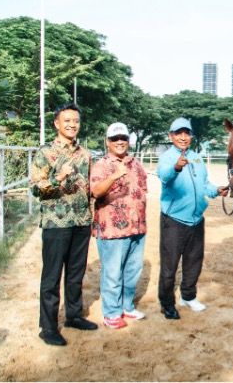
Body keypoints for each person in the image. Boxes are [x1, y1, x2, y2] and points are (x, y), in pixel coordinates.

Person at [31, 103, 97, 346]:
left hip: (81, 222)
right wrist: (58, 177)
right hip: (55, 224)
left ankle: (74, 316)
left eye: (76, 121)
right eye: (67, 120)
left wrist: (91, 218)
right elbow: (36, 189)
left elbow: (90, 189)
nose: (72, 124)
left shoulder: (85, 154)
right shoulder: (45, 153)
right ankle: (47, 328)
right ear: (56, 123)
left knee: (75, 274)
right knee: (51, 277)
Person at [156, 117, 228, 320]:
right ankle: (167, 303)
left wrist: (216, 190)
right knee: (170, 265)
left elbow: (204, 184)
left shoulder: (197, 157)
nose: (183, 137)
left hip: (196, 219)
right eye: (178, 133)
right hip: (174, 220)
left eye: (187, 133)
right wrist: (176, 167)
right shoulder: (167, 157)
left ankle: (188, 296)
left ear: (191, 136)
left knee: (194, 261)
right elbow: (164, 177)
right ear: (171, 136)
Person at [90, 123, 148, 329]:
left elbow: (142, 189)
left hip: (137, 228)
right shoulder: (101, 165)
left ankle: (127, 306)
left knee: (132, 270)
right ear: (107, 142)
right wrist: (115, 175)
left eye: (123, 137)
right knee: (113, 273)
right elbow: (96, 191)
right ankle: (112, 313)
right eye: (115, 138)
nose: (120, 141)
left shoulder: (136, 163)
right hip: (112, 230)